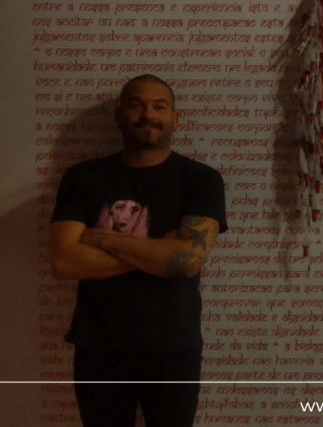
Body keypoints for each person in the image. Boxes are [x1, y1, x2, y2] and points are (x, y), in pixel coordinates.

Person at [49, 74, 228, 427]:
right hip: (98, 345)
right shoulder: (82, 177)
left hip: (173, 346)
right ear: (119, 116)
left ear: (175, 119)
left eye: (159, 106)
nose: (148, 114)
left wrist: (104, 239)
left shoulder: (201, 179)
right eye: (136, 105)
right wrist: (162, 249)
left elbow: (187, 261)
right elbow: (65, 262)